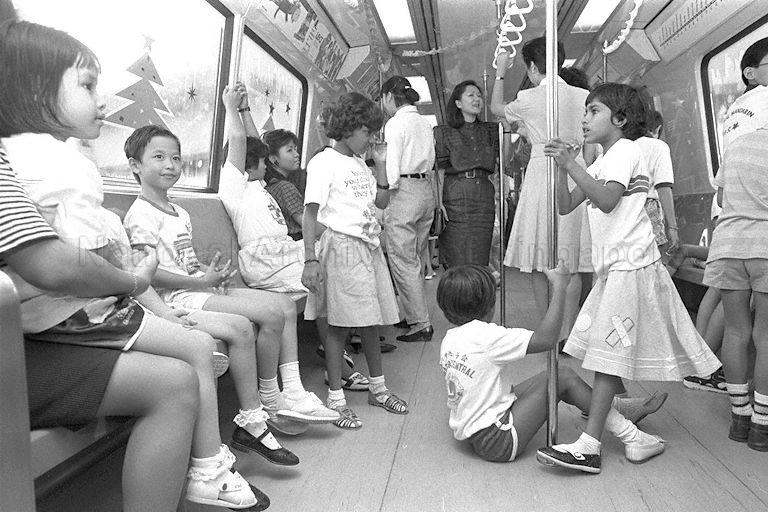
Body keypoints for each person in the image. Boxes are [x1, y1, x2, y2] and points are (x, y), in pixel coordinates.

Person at [0, 20, 268, 510]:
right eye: (86, 85)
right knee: (192, 349)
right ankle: (210, 463)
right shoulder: (55, 159)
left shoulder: (26, 155)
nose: (102, 101)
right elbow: (73, 263)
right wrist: (134, 282)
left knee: (194, 344)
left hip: (55, 314)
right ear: (37, 91)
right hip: (70, 316)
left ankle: (215, 455)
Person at [122, 93, 340, 433]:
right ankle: (268, 399)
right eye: (159, 157)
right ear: (135, 165)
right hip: (176, 297)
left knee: (282, 305)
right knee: (267, 314)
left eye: (176, 158)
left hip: (197, 286)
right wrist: (200, 281)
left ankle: (290, 392)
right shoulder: (140, 215)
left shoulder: (179, 210)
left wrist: (213, 277)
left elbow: (185, 262)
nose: (170, 165)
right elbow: (146, 275)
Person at [536, 83, 721, 473]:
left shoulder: (627, 151)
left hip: (630, 265)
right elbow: (566, 204)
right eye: (585, 112)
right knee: (607, 354)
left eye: (594, 111)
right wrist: (561, 167)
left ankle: (591, 443)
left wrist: (572, 165)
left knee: (608, 356)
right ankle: (629, 431)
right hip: (616, 267)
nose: (585, 118)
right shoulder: (605, 159)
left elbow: (605, 201)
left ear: (619, 119)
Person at [437, 264, 666, 466]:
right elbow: (547, 339)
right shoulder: (486, 336)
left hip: (472, 433)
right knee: (562, 377)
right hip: (498, 440)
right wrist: (559, 288)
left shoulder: (450, 338)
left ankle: (611, 406)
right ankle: (631, 435)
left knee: (549, 376)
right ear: (489, 305)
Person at [221, 89, 370, 393]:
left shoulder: (258, 185)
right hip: (265, 260)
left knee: (336, 268)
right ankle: (336, 366)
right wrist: (230, 108)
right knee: (325, 280)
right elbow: (240, 143)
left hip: (282, 253)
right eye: (262, 161)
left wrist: (248, 109)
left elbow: (254, 145)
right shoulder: (235, 187)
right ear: (249, 166)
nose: (268, 164)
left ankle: (334, 355)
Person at [302, 92, 409, 429]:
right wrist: (310, 260)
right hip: (341, 247)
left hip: (367, 247)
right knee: (337, 326)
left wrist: (379, 165)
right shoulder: (323, 163)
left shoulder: (361, 163)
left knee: (371, 321)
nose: (370, 137)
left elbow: (379, 203)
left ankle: (378, 389)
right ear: (347, 128)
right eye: (366, 130)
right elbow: (310, 214)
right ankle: (336, 398)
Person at [491, 38, 589, 345]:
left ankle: (547, 326)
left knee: (536, 257)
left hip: (542, 172)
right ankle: (568, 334)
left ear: (533, 67)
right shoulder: (584, 95)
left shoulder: (531, 97)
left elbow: (496, 109)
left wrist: (500, 73)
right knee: (569, 260)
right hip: (574, 169)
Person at [703, 123, 768, 450]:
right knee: (765, 334)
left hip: (729, 245)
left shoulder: (740, 143)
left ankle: (740, 417)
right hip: (765, 246)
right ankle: (762, 424)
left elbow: (722, 196)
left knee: (736, 331)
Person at [380, 75, 436, 342]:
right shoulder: (424, 122)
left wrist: (380, 197)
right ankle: (415, 314)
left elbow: (391, 169)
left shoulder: (395, 124)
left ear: (389, 97)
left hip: (403, 192)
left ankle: (420, 323)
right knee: (416, 258)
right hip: (426, 191)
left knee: (403, 261)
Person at [434, 80, 511, 268]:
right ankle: (457, 295)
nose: (477, 99)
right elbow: (440, 171)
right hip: (455, 195)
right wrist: (438, 203)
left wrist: (507, 130)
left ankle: (477, 294)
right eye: (471, 95)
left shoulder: (490, 130)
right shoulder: (444, 132)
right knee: (456, 254)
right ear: (458, 103)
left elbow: (505, 161)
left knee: (480, 255)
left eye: (479, 95)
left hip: (484, 196)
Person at [636, 110, 680, 254]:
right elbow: (663, 186)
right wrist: (672, 227)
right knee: (656, 257)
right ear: (658, 128)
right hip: (649, 206)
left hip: (630, 208)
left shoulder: (627, 146)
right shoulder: (658, 146)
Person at [263, 129, 304, 241]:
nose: (296, 155)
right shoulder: (285, 187)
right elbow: (307, 224)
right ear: (273, 158)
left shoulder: (269, 185)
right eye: (289, 150)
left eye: (295, 149)